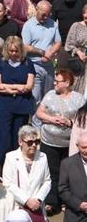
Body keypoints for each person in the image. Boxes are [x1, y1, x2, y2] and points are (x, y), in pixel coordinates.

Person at [36, 69, 83, 214]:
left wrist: (69, 121)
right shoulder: (50, 95)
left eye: (58, 81)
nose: (54, 83)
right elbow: (39, 113)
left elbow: (82, 118)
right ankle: (52, 202)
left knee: (68, 173)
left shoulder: (78, 98)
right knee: (51, 171)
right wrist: (52, 119)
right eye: (55, 80)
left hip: (69, 143)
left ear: (67, 83)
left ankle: (67, 201)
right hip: (49, 141)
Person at [0, 36, 36, 164]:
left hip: (22, 105)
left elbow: (29, 86)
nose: (13, 53)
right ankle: (2, 166)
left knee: (18, 138)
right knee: (4, 138)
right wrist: (17, 87)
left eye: (16, 51)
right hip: (4, 106)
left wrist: (8, 87)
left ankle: (17, 166)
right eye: (11, 51)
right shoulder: (1, 63)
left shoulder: (28, 63)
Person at [1, 125, 52, 220]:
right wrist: (27, 200)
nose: (34, 145)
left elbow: (47, 181)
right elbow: (7, 184)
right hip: (17, 206)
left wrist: (38, 199)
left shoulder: (42, 157)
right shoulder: (10, 157)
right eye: (30, 142)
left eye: (36, 142)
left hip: (37, 207)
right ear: (20, 142)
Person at [22, 0, 62, 107]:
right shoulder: (28, 26)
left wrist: (51, 53)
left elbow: (58, 42)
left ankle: (45, 122)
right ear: (36, 10)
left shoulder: (53, 24)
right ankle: (36, 123)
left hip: (49, 66)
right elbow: (26, 46)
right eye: (43, 14)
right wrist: (42, 53)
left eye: (48, 15)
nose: (46, 17)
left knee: (48, 97)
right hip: (34, 66)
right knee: (36, 97)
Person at [60, 133, 87, 221]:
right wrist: (79, 205)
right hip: (75, 216)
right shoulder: (67, 164)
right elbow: (63, 190)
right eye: (83, 147)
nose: (86, 151)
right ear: (77, 146)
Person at [65, 5, 87, 95]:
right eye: (86, 14)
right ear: (83, 14)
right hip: (79, 64)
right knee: (76, 91)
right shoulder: (76, 26)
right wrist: (78, 52)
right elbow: (68, 44)